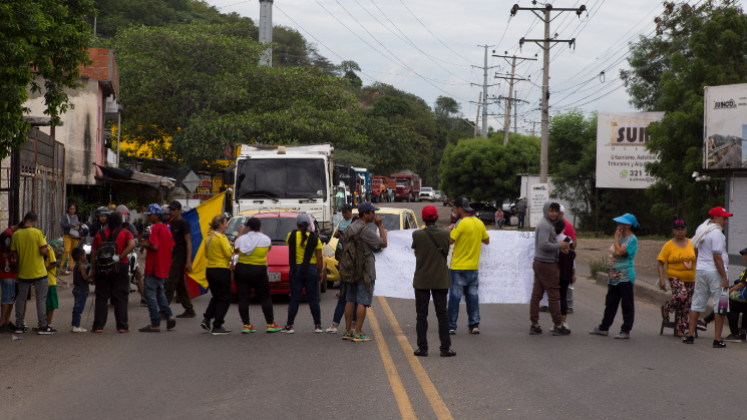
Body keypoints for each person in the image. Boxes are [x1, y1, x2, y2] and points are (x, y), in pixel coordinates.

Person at [684, 207, 732, 348]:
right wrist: (724, 278)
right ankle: (717, 339)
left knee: (697, 303)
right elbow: (717, 257)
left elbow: (696, 249)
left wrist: (701, 264)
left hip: (701, 271)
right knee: (721, 305)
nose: (726, 222)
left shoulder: (701, 228)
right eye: (723, 218)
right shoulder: (717, 233)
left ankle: (690, 335)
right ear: (716, 218)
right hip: (715, 272)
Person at [412, 205, 456, 357]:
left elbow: (416, 253)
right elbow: (447, 247)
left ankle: (422, 348)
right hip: (440, 279)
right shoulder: (445, 234)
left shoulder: (417, 235)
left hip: (422, 279)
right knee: (442, 314)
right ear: (436, 217)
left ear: (423, 219)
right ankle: (445, 348)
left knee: (421, 315)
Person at [342, 203, 387, 342]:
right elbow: (383, 243)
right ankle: (358, 332)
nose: (374, 215)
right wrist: (380, 226)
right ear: (365, 214)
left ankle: (348, 331)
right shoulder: (365, 230)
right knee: (363, 301)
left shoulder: (350, 227)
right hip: (365, 270)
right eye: (372, 213)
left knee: (350, 299)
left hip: (350, 269)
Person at [590, 213, 639, 339]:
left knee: (626, 304)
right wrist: (617, 237)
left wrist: (616, 237)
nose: (618, 226)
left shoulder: (632, 239)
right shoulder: (620, 237)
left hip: (625, 275)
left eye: (620, 223)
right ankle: (604, 327)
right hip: (614, 274)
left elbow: (619, 251)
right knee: (611, 302)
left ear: (628, 225)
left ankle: (626, 330)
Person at [232, 217, 283, 334]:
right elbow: (269, 248)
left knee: (243, 298)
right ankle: (270, 324)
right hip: (259, 271)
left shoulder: (242, 239)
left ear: (248, 227)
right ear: (259, 227)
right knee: (265, 297)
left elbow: (235, 251)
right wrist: (261, 233)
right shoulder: (265, 239)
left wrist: (239, 234)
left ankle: (246, 325)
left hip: (242, 270)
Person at [447, 198, 489, 335]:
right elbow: (486, 240)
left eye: (454, 208)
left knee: (454, 297)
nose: (454, 211)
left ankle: (451, 326)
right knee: (472, 296)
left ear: (461, 208)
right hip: (473, 267)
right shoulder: (479, 223)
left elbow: (450, 240)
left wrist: (450, 230)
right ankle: (474, 324)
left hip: (458, 267)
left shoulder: (460, 223)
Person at [529, 202, 571, 336]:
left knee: (536, 295)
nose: (554, 213)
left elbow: (548, 244)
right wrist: (560, 246)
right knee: (553, 295)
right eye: (551, 210)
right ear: (546, 210)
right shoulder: (545, 225)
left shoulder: (548, 224)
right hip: (547, 265)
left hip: (540, 263)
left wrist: (560, 248)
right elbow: (543, 245)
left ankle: (534, 325)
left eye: (556, 211)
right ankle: (558, 325)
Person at [90, 212, 136, 333]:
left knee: (101, 297)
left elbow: (93, 253)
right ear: (120, 221)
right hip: (121, 266)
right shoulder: (125, 232)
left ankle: (98, 326)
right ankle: (122, 326)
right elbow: (132, 245)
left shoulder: (99, 234)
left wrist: (94, 268)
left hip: (103, 267)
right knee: (120, 296)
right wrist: (120, 256)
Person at [12, 212, 56, 334]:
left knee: (21, 298)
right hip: (39, 271)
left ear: (24, 219)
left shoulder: (16, 235)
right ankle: (42, 325)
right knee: (41, 299)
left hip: (23, 271)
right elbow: (43, 251)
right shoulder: (38, 233)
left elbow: (15, 255)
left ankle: (19, 325)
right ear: (35, 221)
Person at [280, 214, 324, 334]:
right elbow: (319, 257)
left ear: (297, 225)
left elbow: (291, 248)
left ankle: (289, 325)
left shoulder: (291, 236)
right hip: (311, 270)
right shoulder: (315, 238)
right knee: (313, 298)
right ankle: (318, 325)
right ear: (310, 225)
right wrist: (320, 272)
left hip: (295, 270)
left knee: (294, 299)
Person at [140, 204, 177, 333]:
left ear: (156, 215)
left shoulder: (153, 229)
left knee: (149, 295)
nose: (148, 217)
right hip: (163, 266)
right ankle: (169, 315)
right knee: (160, 293)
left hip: (153, 266)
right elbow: (171, 246)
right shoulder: (167, 228)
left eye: (150, 215)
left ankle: (155, 323)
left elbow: (154, 247)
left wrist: (144, 244)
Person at [657, 220, 697, 337]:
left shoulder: (692, 242)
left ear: (685, 230)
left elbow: (699, 258)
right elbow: (660, 263)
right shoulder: (669, 245)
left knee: (685, 304)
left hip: (691, 278)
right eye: (677, 229)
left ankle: (680, 329)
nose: (680, 231)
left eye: (682, 229)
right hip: (674, 276)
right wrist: (661, 279)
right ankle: (667, 307)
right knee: (681, 295)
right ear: (673, 230)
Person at [326, 204, 357, 334]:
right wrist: (339, 234)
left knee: (350, 298)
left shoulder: (353, 224)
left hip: (349, 267)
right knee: (347, 298)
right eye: (343, 212)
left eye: (346, 212)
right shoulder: (344, 223)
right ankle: (337, 325)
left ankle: (352, 326)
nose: (344, 214)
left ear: (351, 212)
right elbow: (337, 236)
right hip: (347, 267)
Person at [202, 215, 234, 335]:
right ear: (220, 224)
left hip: (210, 270)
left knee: (217, 296)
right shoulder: (221, 237)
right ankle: (218, 325)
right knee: (225, 298)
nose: (226, 225)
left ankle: (207, 318)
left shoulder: (209, 237)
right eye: (225, 223)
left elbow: (206, 255)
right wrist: (232, 246)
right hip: (221, 270)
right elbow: (229, 254)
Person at [164, 201, 195, 318]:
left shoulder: (183, 223)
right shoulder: (172, 223)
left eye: (174, 210)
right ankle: (189, 309)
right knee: (180, 284)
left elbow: (188, 242)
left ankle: (164, 310)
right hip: (174, 255)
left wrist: (188, 261)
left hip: (180, 256)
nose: (172, 212)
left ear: (179, 210)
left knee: (170, 282)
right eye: (171, 210)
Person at [117, 205, 146, 306]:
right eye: (121, 216)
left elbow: (135, 239)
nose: (123, 218)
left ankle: (144, 297)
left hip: (129, 254)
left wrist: (135, 243)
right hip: (116, 254)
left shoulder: (130, 226)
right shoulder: (112, 226)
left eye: (125, 215)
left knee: (138, 272)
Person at [0, 222, 20, 333]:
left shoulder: (13, 234)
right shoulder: (8, 234)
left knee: (11, 297)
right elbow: (4, 254)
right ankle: (2, 322)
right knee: (7, 297)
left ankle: (6, 321)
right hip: (6, 270)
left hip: (11, 271)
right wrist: (15, 254)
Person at [71, 248, 94, 333]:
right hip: (81, 290)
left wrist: (90, 281)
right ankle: (76, 325)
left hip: (77, 289)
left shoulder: (76, 266)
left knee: (76, 308)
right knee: (79, 308)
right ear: (81, 257)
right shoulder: (81, 266)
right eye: (84, 255)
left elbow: (81, 278)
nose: (85, 257)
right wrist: (92, 275)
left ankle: (74, 324)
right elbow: (85, 277)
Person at [60, 203, 82, 274]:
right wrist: (71, 224)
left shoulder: (76, 216)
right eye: (71, 209)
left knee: (72, 251)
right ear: (68, 209)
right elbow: (62, 224)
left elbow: (77, 227)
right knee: (66, 250)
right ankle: (61, 265)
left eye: (74, 209)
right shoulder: (65, 216)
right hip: (67, 235)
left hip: (75, 236)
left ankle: (70, 266)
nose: (72, 210)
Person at [43, 246, 58, 329]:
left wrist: (44, 269)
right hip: (47, 281)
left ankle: (47, 323)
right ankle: (47, 324)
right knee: (48, 304)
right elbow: (54, 263)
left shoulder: (48, 249)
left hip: (49, 279)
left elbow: (53, 263)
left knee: (49, 304)